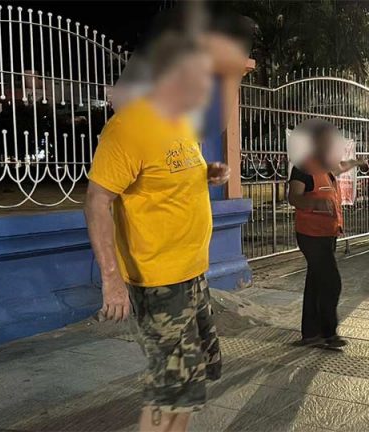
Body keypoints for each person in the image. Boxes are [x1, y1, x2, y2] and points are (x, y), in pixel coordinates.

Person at [84, 31, 246, 432]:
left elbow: (168, 174)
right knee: (172, 389)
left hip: (192, 275)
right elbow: (97, 201)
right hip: (159, 284)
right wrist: (112, 281)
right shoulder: (128, 128)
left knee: (189, 383)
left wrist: (208, 173)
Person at [287, 119, 367, 348]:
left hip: (327, 234)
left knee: (315, 282)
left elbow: (341, 166)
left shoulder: (326, 166)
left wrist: (357, 162)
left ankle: (311, 334)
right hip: (310, 235)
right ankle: (328, 334)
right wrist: (314, 204)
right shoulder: (303, 168)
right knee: (332, 283)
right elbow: (293, 197)